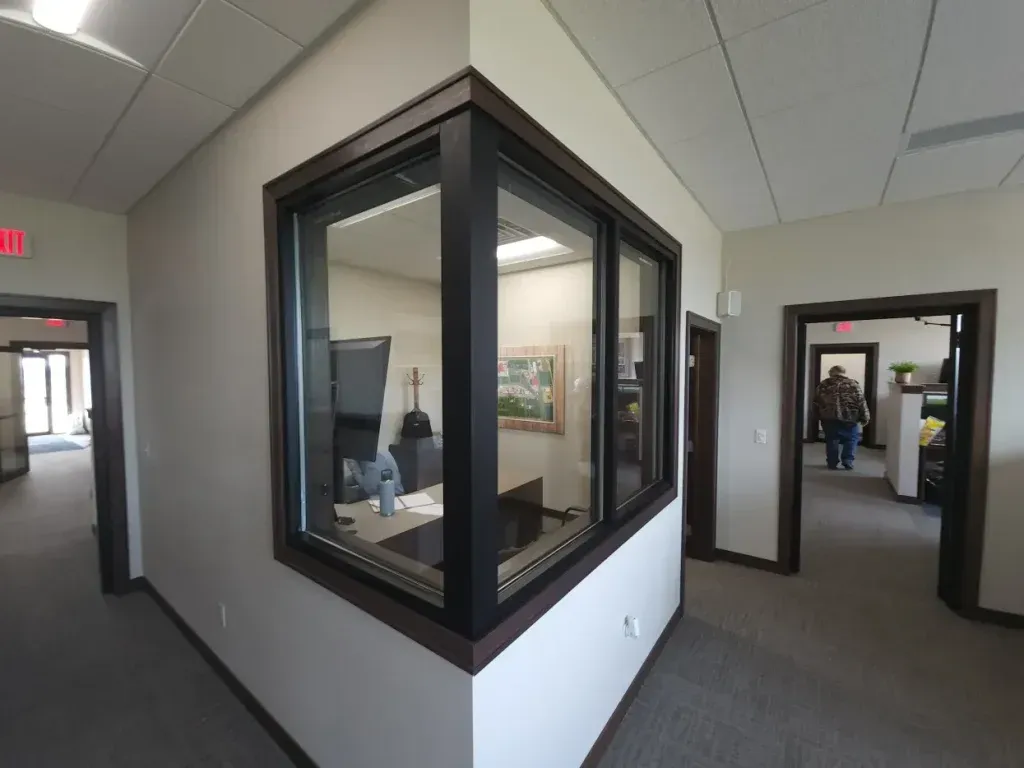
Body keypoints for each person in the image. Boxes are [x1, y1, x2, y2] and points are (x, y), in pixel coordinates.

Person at [813, 365, 870, 470]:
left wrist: (816, 416)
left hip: (829, 416)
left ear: (831, 373)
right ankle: (847, 461)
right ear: (844, 373)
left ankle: (832, 462)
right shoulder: (853, 384)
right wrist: (865, 416)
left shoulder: (823, 385)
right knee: (851, 439)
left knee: (832, 439)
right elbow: (861, 401)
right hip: (850, 416)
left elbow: (816, 402)